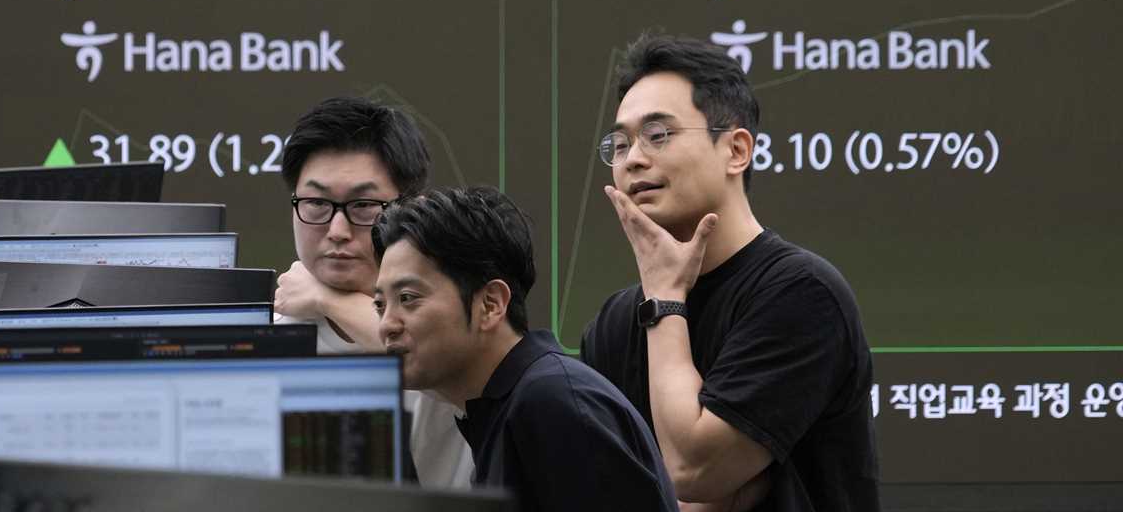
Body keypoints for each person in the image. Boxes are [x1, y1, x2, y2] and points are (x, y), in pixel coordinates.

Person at [580, 34, 880, 511]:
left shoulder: (802, 293)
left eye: (658, 135)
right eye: (619, 144)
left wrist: (665, 299)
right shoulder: (614, 323)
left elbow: (692, 470)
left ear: (736, 150)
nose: (632, 158)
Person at [372, 186, 679, 512]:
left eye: (408, 298)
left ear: (491, 304)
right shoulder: (508, 408)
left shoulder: (551, 404)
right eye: (380, 305)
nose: (386, 325)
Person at [273, 96, 473, 488]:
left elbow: (459, 366)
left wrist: (331, 300)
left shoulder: (460, 314)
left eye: (364, 205)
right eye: (316, 203)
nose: (337, 231)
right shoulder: (267, 339)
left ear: (414, 208)